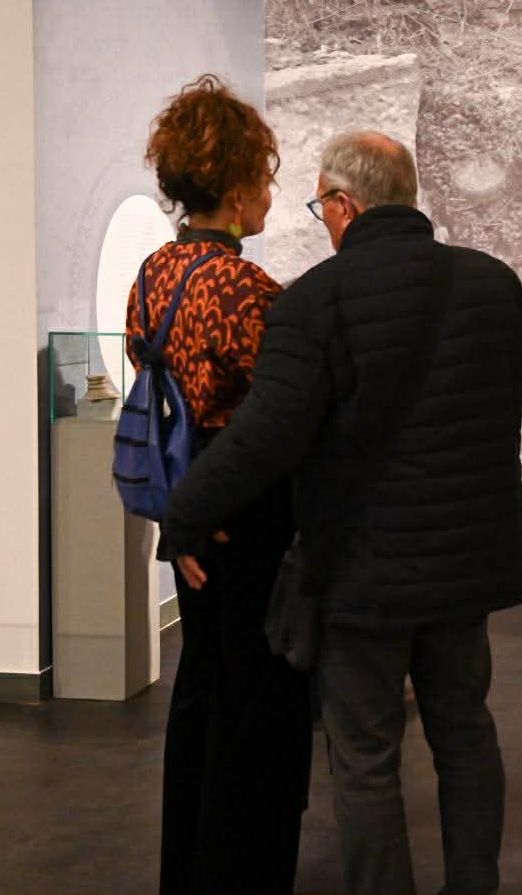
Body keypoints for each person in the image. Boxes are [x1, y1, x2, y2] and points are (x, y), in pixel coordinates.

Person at [160, 130, 522, 895]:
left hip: (362, 574)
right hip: (465, 564)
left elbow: (265, 436)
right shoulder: (490, 281)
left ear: (344, 204)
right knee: (465, 734)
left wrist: (184, 515)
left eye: (319, 207)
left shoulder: (314, 302)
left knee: (366, 756)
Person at [129, 74, 312, 895]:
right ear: (236, 191)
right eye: (265, 180)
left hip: (185, 504)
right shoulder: (246, 290)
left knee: (203, 686)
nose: (271, 194)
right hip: (247, 512)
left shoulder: (153, 275)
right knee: (259, 705)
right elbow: (282, 414)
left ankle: (191, 867)